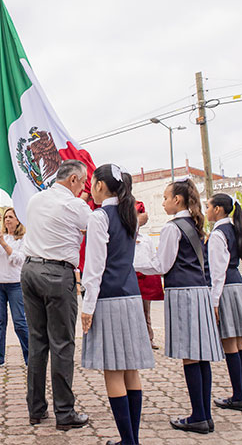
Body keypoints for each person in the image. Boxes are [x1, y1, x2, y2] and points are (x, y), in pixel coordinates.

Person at [134, 179, 223, 435]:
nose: (163, 202)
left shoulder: (172, 228)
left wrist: (131, 265)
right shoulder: (195, 225)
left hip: (182, 292)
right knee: (200, 355)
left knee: (190, 355)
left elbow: (162, 266)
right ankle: (204, 415)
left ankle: (198, 417)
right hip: (199, 291)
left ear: (177, 200)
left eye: (165, 198)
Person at [80, 165, 155, 445]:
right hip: (132, 296)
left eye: (92, 183)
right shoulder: (130, 216)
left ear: (100, 185)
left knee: (113, 371)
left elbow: (94, 267)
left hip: (109, 299)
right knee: (131, 370)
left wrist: (87, 307)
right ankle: (132, 439)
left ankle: (128, 441)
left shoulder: (99, 216)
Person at [21, 159, 92, 430]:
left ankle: (36, 409)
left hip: (30, 271)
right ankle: (65, 412)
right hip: (56, 274)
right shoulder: (74, 205)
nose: (83, 187)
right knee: (62, 344)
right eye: (82, 182)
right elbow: (96, 228)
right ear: (73, 179)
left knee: (38, 342)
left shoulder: (35, 200)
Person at [205, 193, 242, 413]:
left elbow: (217, 270)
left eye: (208, 206)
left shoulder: (218, 233)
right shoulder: (233, 228)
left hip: (225, 288)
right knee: (238, 342)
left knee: (230, 342)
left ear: (218, 209)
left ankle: (239, 396)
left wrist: (214, 301)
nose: (206, 210)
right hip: (237, 285)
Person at [0, 207, 30, 370]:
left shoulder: (23, 239)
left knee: (19, 322)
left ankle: (30, 357)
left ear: (18, 220)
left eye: (11, 217)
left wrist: (3, 244)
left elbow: (19, 259)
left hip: (15, 284)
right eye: (5, 217)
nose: (7, 220)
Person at [133, 201, 164, 350]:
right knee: (132, 311)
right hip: (131, 276)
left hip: (145, 277)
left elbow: (152, 257)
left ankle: (149, 338)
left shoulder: (147, 239)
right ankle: (135, 339)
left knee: (146, 311)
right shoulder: (126, 237)